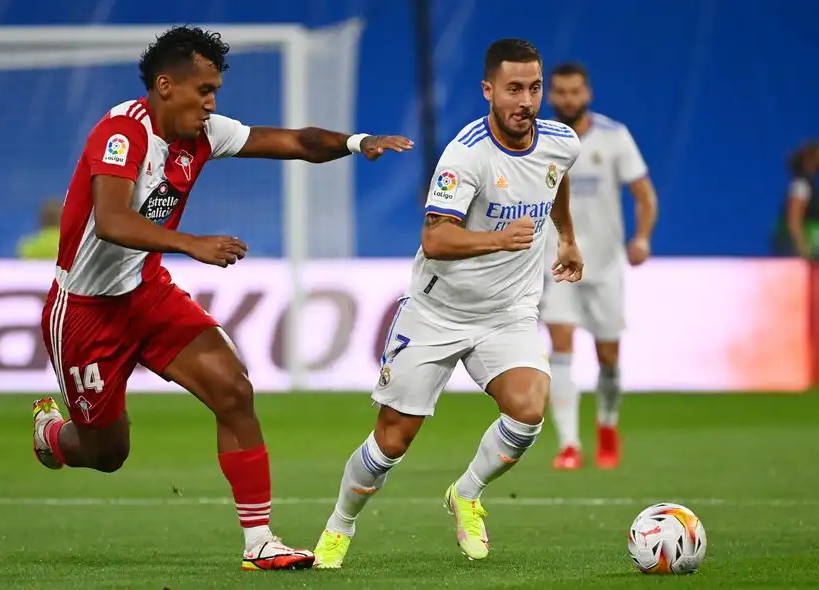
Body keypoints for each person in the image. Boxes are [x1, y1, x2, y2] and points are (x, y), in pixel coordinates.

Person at [29, 26, 412, 572]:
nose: (211, 103)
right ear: (166, 86)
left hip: (146, 292)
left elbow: (296, 143)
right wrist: (190, 243)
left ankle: (260, 542)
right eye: (203, 90)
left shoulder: (205, 134)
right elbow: (112, 221)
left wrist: (355, 143)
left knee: (233, 389)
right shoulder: (122, 134)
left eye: (215, 92)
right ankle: (52, 436)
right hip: (85, 311)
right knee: (107, 454)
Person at [311, 38, 583, 569]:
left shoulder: (559, 141)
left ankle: (467, 492)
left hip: (508, 313)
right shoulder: (466, 155)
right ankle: (338, 527)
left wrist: (566, 236)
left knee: (528, 409)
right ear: (488, 91)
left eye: (534, 88)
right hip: (437, 313)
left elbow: (557, 178)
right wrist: (499, 239)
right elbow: (436, 239)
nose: (525, 101)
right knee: (392, 441)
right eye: (513, 89)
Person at [540, 62, 658, 471]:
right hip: (555, 263)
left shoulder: (613, 136)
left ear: (587, 93)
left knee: (608, 357)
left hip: (604, 267)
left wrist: (641, 237)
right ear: (550, 95)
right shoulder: (537, 140)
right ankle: (569, 443)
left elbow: (644, 194)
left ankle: (607, 424)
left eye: (575, 92)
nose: (568, 99)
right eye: (560, 92)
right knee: (560, 347)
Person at [771, 139, 819, 259]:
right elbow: (794, 217)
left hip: (815, 253)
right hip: (799, 254)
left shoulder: (815, 189)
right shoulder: (801, 185)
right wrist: (801, 246)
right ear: (808, 160)